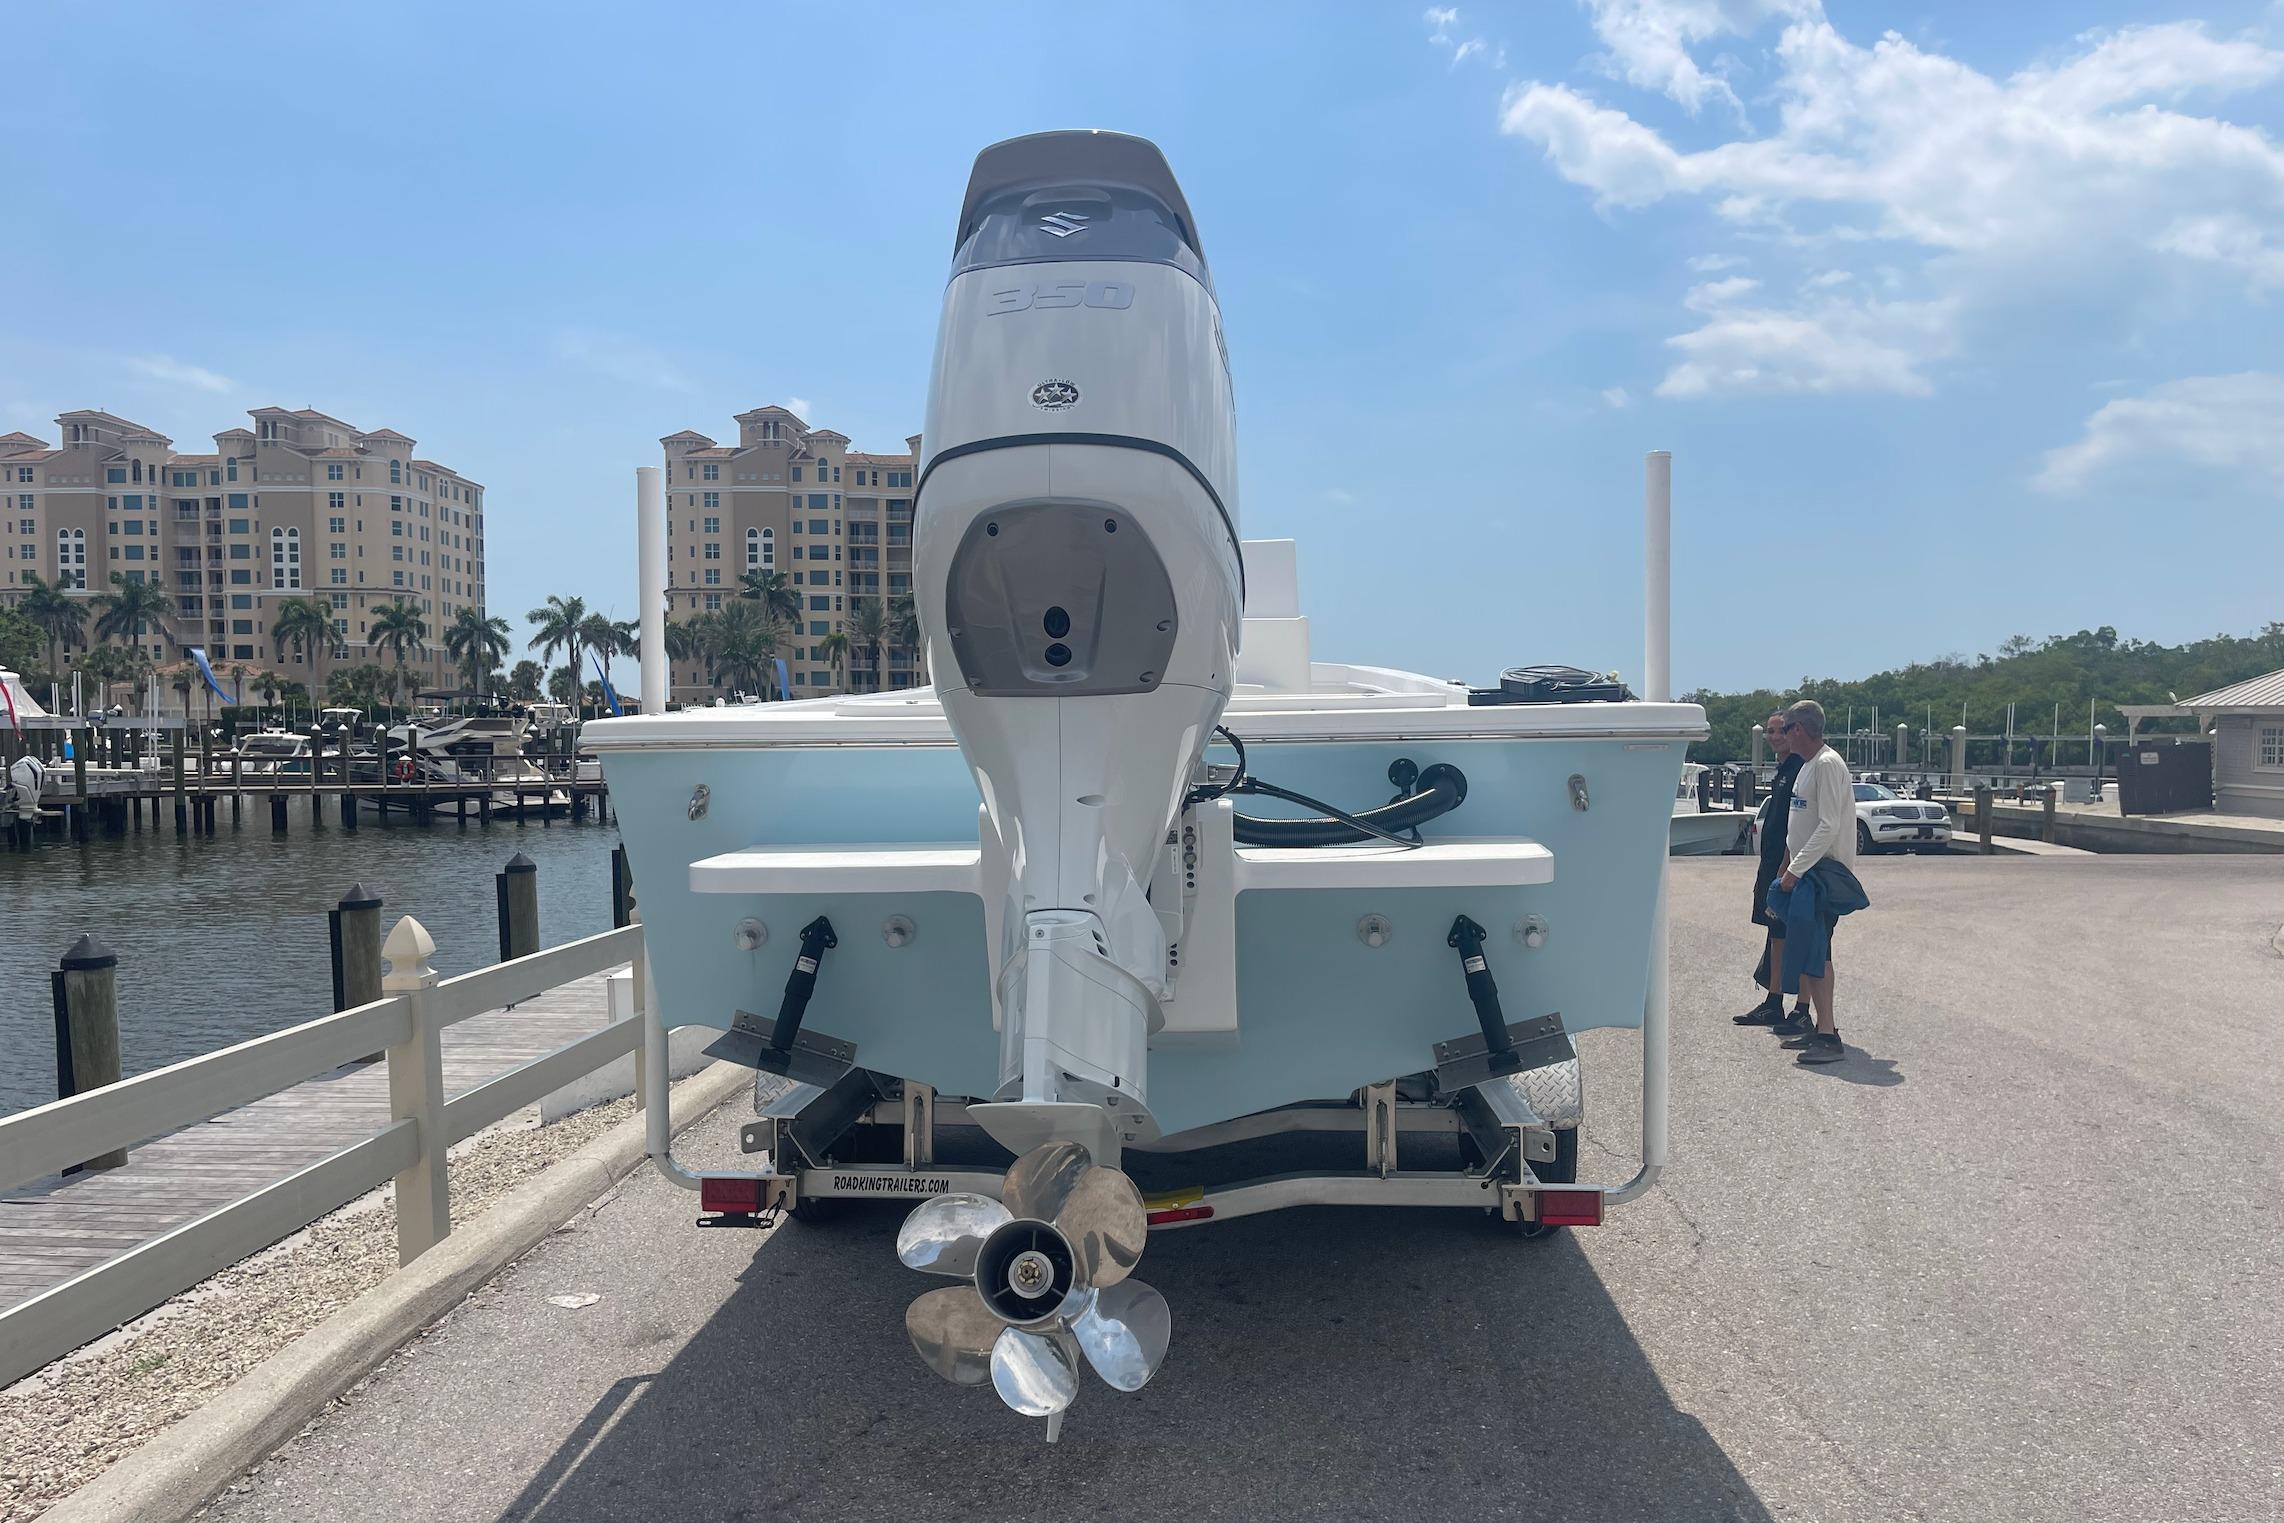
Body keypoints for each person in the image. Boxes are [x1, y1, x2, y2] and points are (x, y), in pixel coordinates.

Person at [1770, 699, 1865, 1066]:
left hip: (1821, 875)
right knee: (1808, 948)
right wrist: (1789, 865)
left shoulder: (1827, 764)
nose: (1780, 734)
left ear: (1798, 729)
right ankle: (1812, 1022)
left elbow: (1828, 824)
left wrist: (1796, 869)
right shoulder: (1809, 765)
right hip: (1806, 871)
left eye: (1785, 727)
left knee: (1819, 951)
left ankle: (1828, 1032)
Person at [1734, 710, 1812, 1033]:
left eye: (1781, 731)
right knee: (1774, 931)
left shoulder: (1799, 770)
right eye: (1770, 731)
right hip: (1771, 866)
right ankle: (1773, 1000)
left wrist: (1787, 864)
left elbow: (1798, 825)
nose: (1775, 737)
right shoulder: (1782, 771)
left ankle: (1798, 1007)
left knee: (1793, 935)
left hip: (1787, 866)